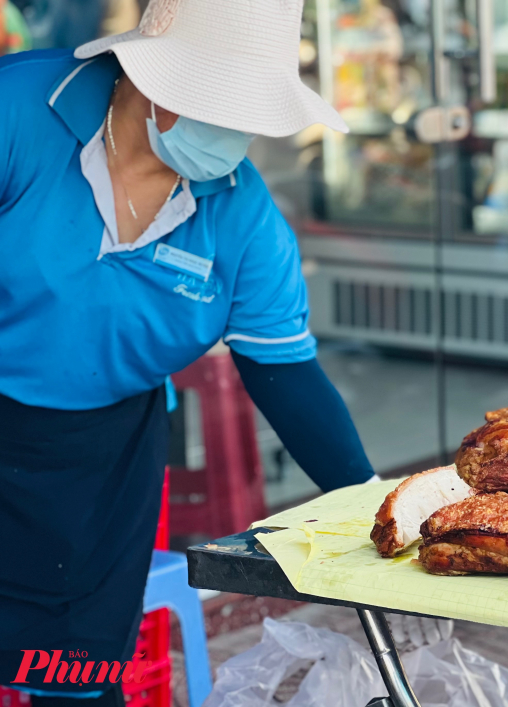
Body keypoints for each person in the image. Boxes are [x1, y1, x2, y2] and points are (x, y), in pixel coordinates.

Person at [0, 0, 378, 702]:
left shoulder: (240, 213)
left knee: (75, 677)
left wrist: (371, 506)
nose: (234, 131)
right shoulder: (18, 113)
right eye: (219, 102)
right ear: (149, 78)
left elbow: (286, 375)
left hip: (102, 461)